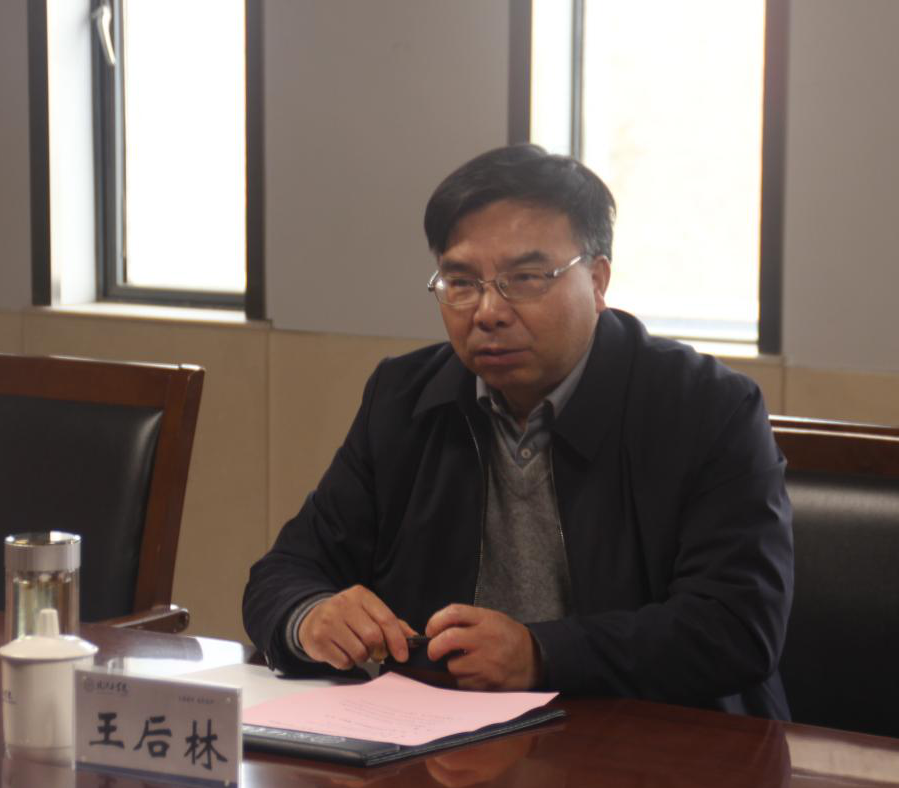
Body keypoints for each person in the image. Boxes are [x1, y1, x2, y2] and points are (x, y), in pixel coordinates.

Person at [242, 144, 793, 718]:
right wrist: (309, 617)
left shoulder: (706, 408)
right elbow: (284, 571)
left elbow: (738, 625)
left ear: (598, 280)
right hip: (440, 742)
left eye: (525, 278)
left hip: (653, 747)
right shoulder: (403, 399)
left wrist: (541, 654)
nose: (488, 311)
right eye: (461, 282)